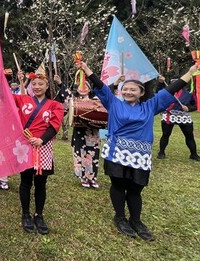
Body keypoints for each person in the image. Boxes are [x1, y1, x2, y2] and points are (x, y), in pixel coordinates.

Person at [80, 61, 199, 241]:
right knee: (119, 185)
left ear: (141, 93)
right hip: (117, 153)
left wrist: (190, 73)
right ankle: (120, 217)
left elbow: (170, 89)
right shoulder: (113, 102)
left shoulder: (150, 106)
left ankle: (136, 220)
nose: (128, 92)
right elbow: (99, 85)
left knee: (136, 189)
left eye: (133, 89)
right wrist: (86, 69)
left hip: (140, 156)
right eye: (125, 89)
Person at [13, 70, 64, 234]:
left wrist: (42, 139)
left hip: (44, 145)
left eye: (40, 84)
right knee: (26, 182)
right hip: (25, 146)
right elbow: (4, 97)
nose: (37, 87)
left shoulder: (55, 105)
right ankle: (26, 214)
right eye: (34, 84)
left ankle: (39, 215)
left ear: (47, 85)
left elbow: (55, 125)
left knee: (41, 183)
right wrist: (5, 78)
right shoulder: (23, 99)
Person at [54, 74, 101, 189]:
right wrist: (60, 83)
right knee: (80, 153)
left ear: (90, 89)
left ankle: (92, 178)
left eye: (86, 86)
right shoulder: (74, 100)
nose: (83, 88)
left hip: (93, 132)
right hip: (79, 132)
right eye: (80, 86)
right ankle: (83, 178)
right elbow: (66, 95)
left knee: (92, 154)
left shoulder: (96, 100)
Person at [156, 75, 200, 161]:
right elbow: (158, 94)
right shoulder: (166, 92)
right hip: (169, 115)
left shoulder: (188, 94)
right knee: (165, 135)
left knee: (189, 136)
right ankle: (161, 152)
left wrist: (188, 108)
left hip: (183, 116)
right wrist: (160, 83)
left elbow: (195, 105)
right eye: (173, 82)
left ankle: (194, 154)